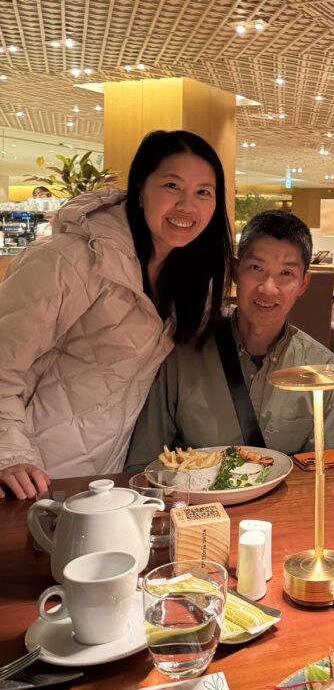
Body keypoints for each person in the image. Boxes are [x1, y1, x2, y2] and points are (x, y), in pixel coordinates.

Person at [0, 130, 232, 499]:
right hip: (31, 476)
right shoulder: (68, 259)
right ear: (141, 189)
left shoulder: (186, 279)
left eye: (204, 192)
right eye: (173, 185)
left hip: (105, 477)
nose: (188, 205)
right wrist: (9, 455)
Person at [125, 210, 334, 466]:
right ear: (235, 271)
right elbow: (143, 466)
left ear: (303, 283)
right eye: (256, 268)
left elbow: (333, 473)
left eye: (286, 274)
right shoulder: (181, 356)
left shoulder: (323, 371)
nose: (268, 288)